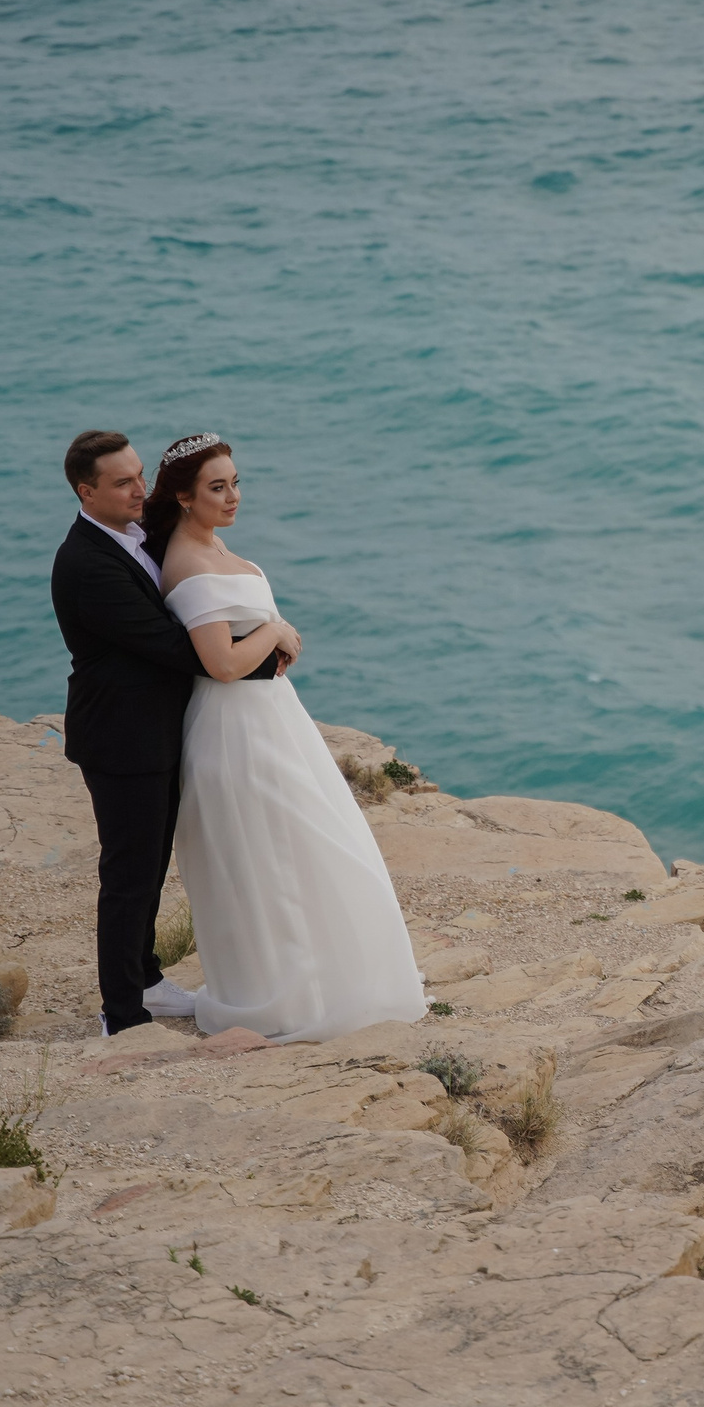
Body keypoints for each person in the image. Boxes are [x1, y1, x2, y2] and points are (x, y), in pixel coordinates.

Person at [144, 432, 427, 1041]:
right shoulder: (187, 562)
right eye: (217, 488)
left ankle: (334, 982)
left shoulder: (215, 547)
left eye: (236, 483)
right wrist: (273, 634)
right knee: (268, 859)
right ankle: (285, 997)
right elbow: (219, 662)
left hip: (274, 720)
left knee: (317, 845)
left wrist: (272, 636)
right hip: (234, 730)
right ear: (185, 498)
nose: (232, 496)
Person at [49, 430, 298, 1036]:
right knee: (129, 875)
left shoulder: (140, 536)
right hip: (122, 738)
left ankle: (148, 981)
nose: (141, 489)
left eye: (140, 475)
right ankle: (123, 1014)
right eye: (122, 482)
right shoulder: (86, 563)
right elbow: (171, 644)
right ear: (87, 492)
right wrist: (268, 644)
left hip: (160, 732)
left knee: (152, 865)